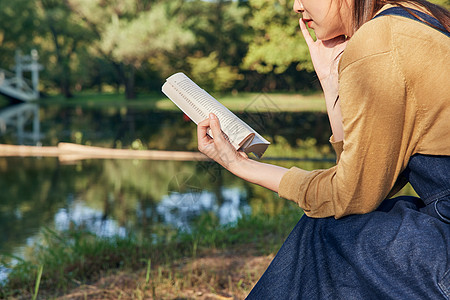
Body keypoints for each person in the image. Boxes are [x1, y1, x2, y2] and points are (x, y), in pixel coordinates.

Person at [197, 0, 450, 298]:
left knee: (327, 231)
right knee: (351, 224)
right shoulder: (415, 18)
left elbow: (349, 196)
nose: (296, 6)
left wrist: (242, 165)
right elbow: (366, 184)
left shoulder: (379, 40)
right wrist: (332, 82)